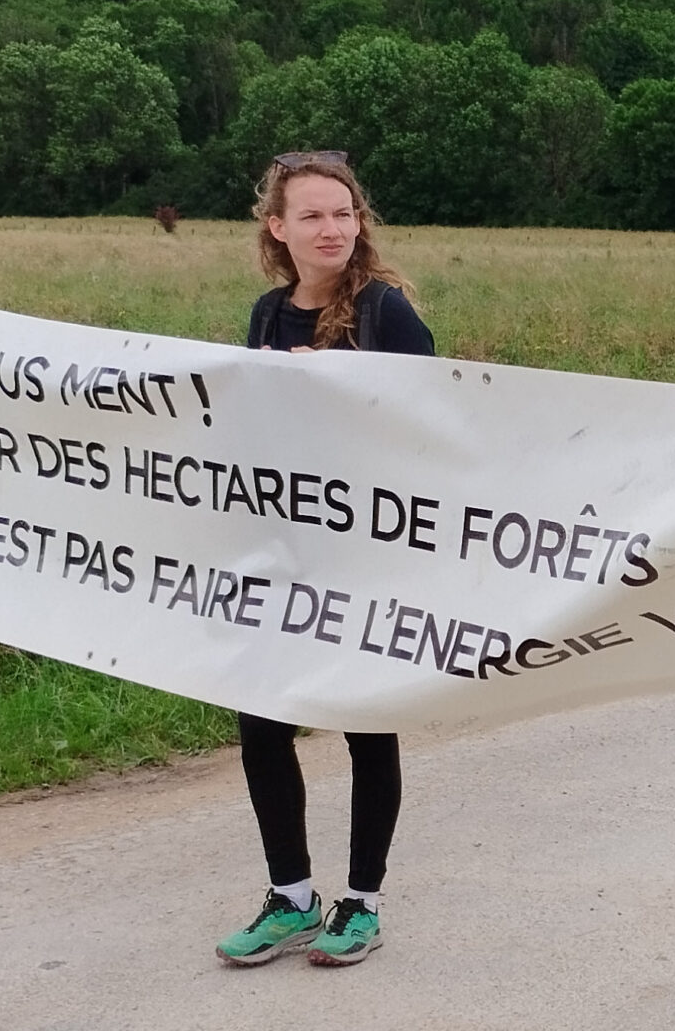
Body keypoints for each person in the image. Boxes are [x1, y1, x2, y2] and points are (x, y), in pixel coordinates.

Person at [216, 152, 435, 968]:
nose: (333, 229)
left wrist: (337, 381)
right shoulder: (269, 314)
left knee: (366, 730)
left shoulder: (387, 311)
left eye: (343, 213)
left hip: (369, 559)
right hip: (286, 554)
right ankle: (292, 895)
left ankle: (363, 902)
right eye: (312, 215)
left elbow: (435, 425)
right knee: (261, 723)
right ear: (278, 229)